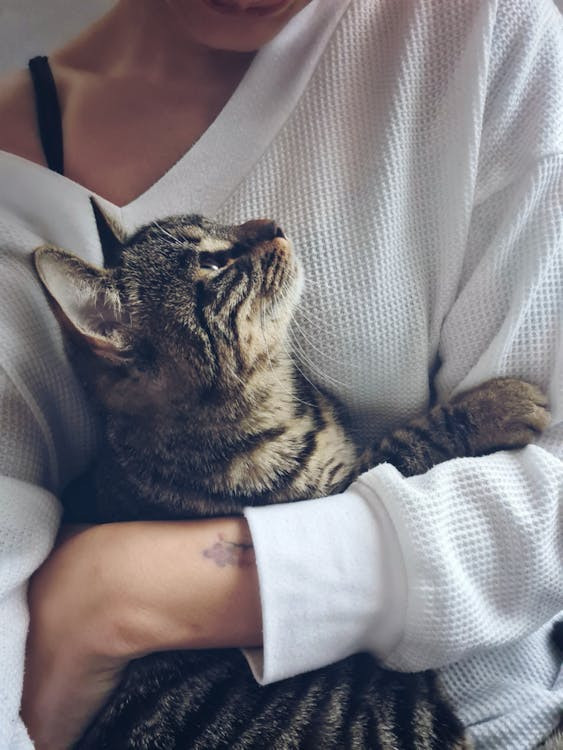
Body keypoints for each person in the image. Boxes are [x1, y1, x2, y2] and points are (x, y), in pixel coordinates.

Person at [0, 0, 561, 748]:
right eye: (213, 257)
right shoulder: (17, 189)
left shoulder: (486, 29)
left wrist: (117, 593)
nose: (270, 235)